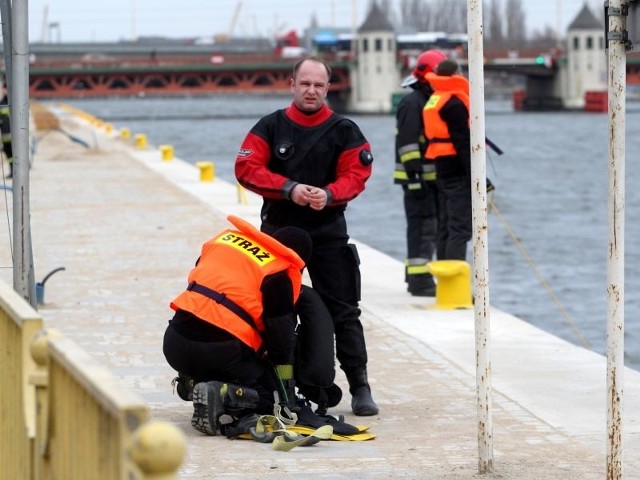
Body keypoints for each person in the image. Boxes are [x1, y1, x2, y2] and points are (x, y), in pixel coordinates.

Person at [234, 56, 379, 416]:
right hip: (279, 237)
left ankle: (360, 385)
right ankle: (273, 383)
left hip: (328, 233)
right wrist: (289, 188)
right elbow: (246, 168)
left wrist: (328, 194)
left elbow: (356, 174)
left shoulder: (345, 130)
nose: (311, 90)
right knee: (275, 311)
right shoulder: (270, 126)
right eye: (305, 84)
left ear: (328, 88)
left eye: (319, 85)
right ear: (292, 84)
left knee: (344, 312)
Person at [163, 215, 348, 437]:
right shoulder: (279, 273)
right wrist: (286, 393)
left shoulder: (224, 245)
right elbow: (281, 346)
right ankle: (221, 393)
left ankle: (192, 384)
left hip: (175, 343)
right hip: (221, 350)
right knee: (268, 397)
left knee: (223, 351)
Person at [394, 50, 446, 296]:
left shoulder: (424, 100)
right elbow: (408, 144)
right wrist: (415, 176)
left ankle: (418, 277)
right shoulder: (413, 103)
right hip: (417, 180)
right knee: (422, 228)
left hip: (427, 179)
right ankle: (419, 281)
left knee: (429, 228)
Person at [422, 59, 473, 261]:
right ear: (455, 75)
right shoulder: (454, 103)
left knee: (445, 225)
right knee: (459, 228)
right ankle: (455, 284)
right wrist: (476, 175)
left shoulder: (435, 98)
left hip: (441, 166)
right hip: (457, 168)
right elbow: (461, 141)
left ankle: (445, 282)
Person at [0, 85, 13, 179]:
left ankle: (15, 171)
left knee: (14, 153)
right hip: (5, 135)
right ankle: (12, 171)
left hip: (13, 134)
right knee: (8, 154)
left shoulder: (14, 102)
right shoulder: (2, 103)